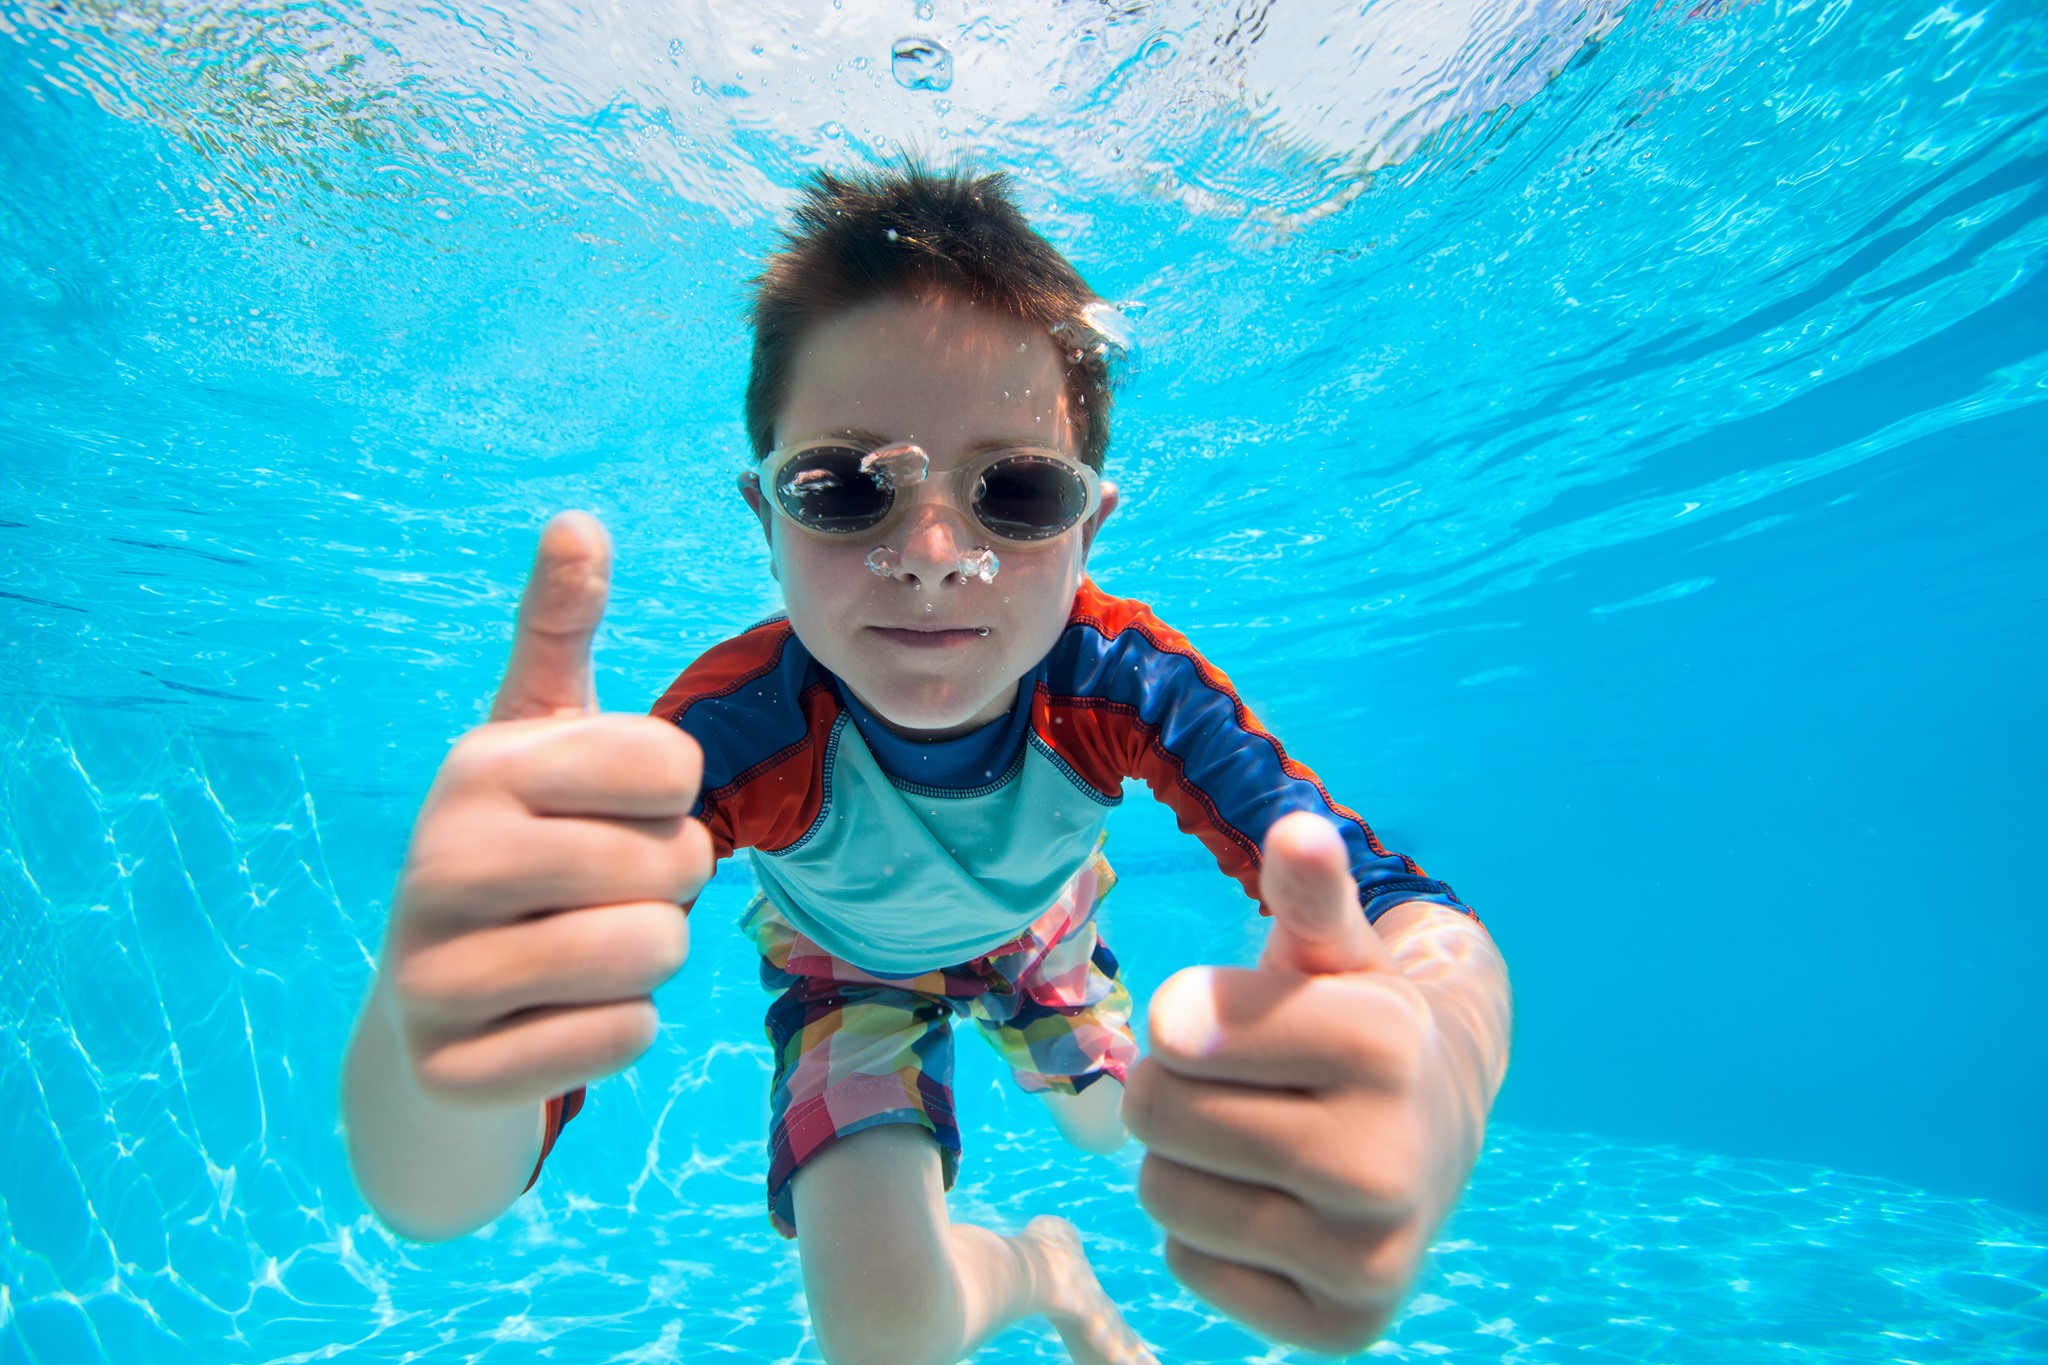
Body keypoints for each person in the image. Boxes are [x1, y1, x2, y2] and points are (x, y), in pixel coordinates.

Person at [341, 165, 1512, 1365]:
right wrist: (434, 1037)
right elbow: (438, 1200)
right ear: (764, 516)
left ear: (1087, 525)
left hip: (1038, 932)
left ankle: (1064, 1171)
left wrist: (1448, 1051)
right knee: (884, 1343)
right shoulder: (730, 735)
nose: (936, 556)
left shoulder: (1122, 683)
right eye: (844, 490)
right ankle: (1045, 1269)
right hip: (842, 966)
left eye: (1015, 491)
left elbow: (1396, 905)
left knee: (1124, 1126)